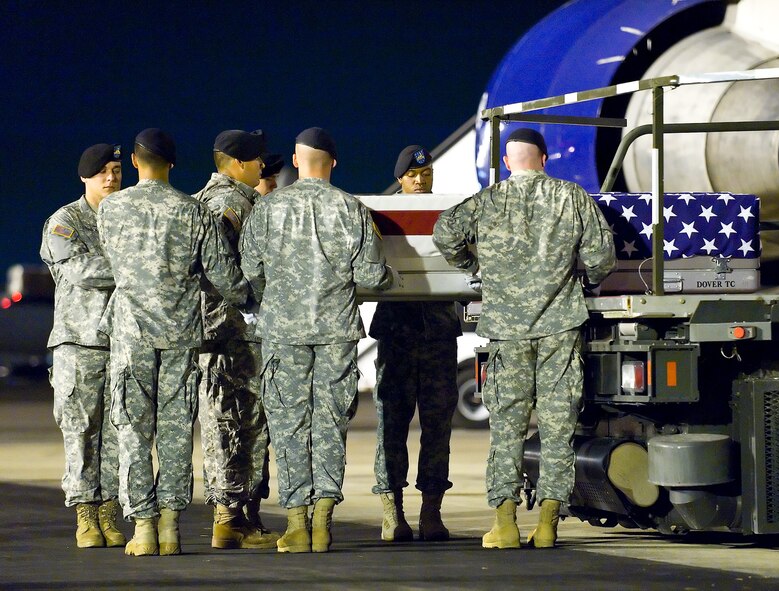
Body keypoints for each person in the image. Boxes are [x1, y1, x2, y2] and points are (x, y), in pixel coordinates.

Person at [432, 128, 616, 549]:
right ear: (544, 159)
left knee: (506, 430)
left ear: (506, 162)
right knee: (558, 429)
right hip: (559, 327)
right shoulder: (571, 197)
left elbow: (445, 233)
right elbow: (601, 257)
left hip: (506, 331)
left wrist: (472, 264)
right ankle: (548, 524)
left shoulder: (487, 200)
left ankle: (505, 524)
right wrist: (585, 277)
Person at [97, 128, 254, 557]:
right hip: (181, 334)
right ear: (173, 163)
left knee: (133, 431)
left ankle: (143, 528)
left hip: (131, 335)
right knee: (176, 431)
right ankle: (170, 527)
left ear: (134, 161)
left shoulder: (111, 209)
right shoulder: (194, 212)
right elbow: (224, 277)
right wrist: (253, 296)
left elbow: (113, 260)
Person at [239, 127, 397, 553]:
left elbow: (250, 273)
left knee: (288, 424)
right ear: (334, 163)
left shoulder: (268, 209)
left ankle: (296, 524)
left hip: (283, 332)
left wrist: (277, 296)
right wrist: (391, 276)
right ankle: (324, 521)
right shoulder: (351, 208)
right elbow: (370, 275)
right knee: (330, 423)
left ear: (295, 161)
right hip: (335, 333)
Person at [369, 145, 461, 542]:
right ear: (400, 179)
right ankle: (392, 513)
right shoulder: (384, 217)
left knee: (438, 427)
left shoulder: (448, 215)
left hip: (439, 333)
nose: (420, 181)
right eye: (412, 176)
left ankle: (431, 512)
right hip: (397, 334)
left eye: (426, 174)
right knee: (392, 426)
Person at [193, 130, 278, 550]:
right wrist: (253, 296)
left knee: (245, 423)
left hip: (236, 333)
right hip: (229, 334)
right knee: (231, 423)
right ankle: (228, 519)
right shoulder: (226, 204)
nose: (262, 166)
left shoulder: (234, 200)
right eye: (257, 159)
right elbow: (218, 271)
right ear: (239, 163)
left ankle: (242, 516)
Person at [40, 143, 126, 549]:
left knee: (118, 432)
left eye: (116, 170)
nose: (110, 178)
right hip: (79, 342)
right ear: (84, 177)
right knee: (80, 430)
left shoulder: (125, 218)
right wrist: (137, 268)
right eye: (101, 171)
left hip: (121, 341)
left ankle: (109, 512)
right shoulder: (65, 221)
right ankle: (85, 515)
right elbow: (80, 270)